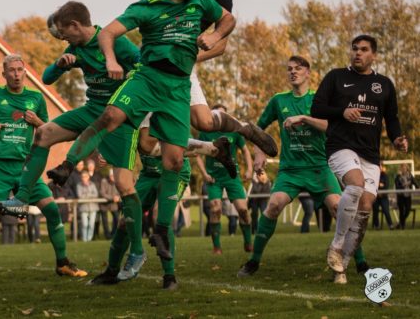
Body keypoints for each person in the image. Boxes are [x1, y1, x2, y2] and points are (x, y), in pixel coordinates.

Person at [45, 0, 245, 265]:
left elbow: (228, 19)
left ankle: (162, 230)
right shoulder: (147, 6)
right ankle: (67, 166)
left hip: (178, 85)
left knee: (174, 159)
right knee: (112, 117)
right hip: (148, 77)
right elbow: (108, 32)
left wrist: (215, 37)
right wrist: (111, 60)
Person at [0, 1, 148, 277]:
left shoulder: (116, 43)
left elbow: (144, 70)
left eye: (65, 33)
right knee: (44, 133)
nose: (63, 38)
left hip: (119, 119)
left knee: (124, 184)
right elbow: (48, 79)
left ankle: (136, 251)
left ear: (76, 25)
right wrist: (60, 64)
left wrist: (126, 75)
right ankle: (22, 199)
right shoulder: (74, 48)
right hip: (91, 111)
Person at [238, 56, 368, 284]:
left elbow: (331, 126)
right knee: (274, 204)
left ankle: (361, 262)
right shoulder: (279, 101)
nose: (292, 72)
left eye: (298, 68)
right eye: (289, 69)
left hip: (319, 167)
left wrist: (305, 119)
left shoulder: (321, 99)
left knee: (340, 208)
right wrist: (259, 153)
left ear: (308, 72)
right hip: (291, 171)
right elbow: (258, 129)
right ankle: (253, 261)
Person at [0, 55, 86, 283]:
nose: (16, 74)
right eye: (11, 70)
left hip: (26, 168)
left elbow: (49, 130)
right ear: (4, 74)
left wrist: (37, 122)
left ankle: (62, 263)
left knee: (51, 210)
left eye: (20, 70)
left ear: (25, 72)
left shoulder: (36, 98)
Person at [312, 35, 407, 277]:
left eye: (363, 50)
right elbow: (317, 108)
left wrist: (397, 138)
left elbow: (392, 118)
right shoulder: (336, 76)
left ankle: (341, 265)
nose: (357, 53)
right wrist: (342, 112)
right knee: (355, 184)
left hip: (370, 154)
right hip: (340, 146)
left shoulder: (384, 84)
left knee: (365, 205)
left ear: (373, 55)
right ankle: (336, 244)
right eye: (355, 49)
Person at [89, 114, 191, 290]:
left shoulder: (168, 110)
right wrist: (109, 153)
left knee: (161, 218)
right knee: (126, 220)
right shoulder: (133, 111)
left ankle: (169, 276)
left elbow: (184, 145)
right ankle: (111, 271)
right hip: (148, 174)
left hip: (174, 173)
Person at [196, 104, 253, 254]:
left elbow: (245, 151)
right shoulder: (206, 132)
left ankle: (248, 242)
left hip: (232, 177)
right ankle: (217, 247)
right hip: (214, 179)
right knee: (215, 209)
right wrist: (204, 174)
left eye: (224, 116)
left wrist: (249, 169)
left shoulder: (235, 131)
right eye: (217, 115)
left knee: (243, 210)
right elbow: (197, 154)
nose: (221, 118)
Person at [76, 171, 99, 242]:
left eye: (85, 176)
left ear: (88, 177)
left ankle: (89, 239)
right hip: (83, 207)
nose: (84, 178)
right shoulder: (78, 185)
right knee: (85, 224)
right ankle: (84, 239)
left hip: (93, 207)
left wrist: (86, 195)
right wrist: (90, 195)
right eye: (82, 177)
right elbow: (80, 196)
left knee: (91, 225)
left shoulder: (92, 184)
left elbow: (96, 194)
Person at [99, 170, 120, 240]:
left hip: (113, 204)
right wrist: (112, 198)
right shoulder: (104, 181)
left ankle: (114, 234)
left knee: (117, 219)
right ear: (109, 175)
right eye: (112, 176)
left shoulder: (117, 181)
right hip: (104, 204)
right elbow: (102, 193)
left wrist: (118, 197)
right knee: (105, 221)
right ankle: (107, 236)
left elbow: (120, 191)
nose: (113, 177)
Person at [395, 164, 417, 229]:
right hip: (400, 196)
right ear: (401, 169)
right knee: (401, 211)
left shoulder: (410, 176)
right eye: (402, 168)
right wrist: (404, 185)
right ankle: (402, 226)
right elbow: (397, 187)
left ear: (407, 169)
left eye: (405, 168)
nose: (404, 169)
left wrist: (419, 187)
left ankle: (401, 222)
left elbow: (414, 182)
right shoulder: (398, 177)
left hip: (408, 196)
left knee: (408, 209)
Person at [371, 165, 394, 230]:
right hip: (376, 196)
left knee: (386, 211)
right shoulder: (373, 174)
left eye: (380, 166)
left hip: (383, 197)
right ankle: (376, 226)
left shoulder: (385, 175)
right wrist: (380, 184)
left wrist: (379, 185)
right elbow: (372, 185)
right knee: (375, 211)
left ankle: (390, 225)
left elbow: (386, 186)